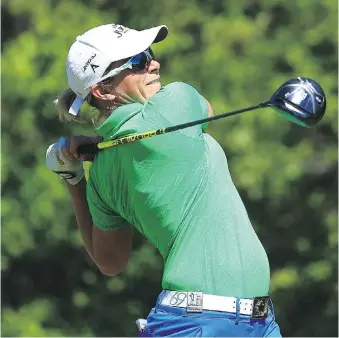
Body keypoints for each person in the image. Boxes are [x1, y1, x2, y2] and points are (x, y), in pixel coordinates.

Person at [46, 23, 282, 337]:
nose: (154, 64)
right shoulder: (175, 102)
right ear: (102, 90)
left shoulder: (101, 171)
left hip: (257, 321)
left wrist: (74, 178)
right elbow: (206, 111)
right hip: (201, 323)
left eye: (150, 54)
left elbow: (109, 262)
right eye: (138, 61)